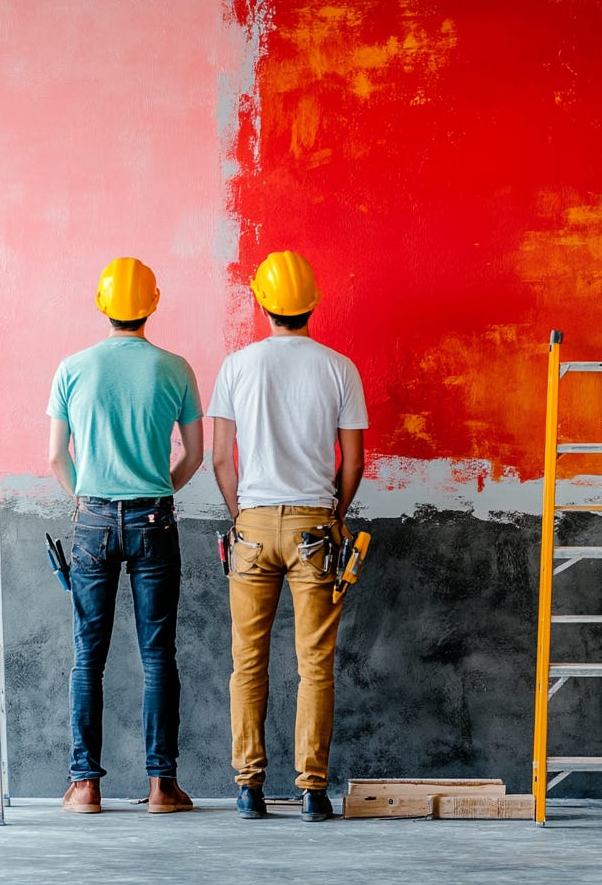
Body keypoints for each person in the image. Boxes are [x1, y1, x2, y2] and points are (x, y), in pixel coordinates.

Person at [208, 250, 368, 822]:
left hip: (251, 527)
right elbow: (352, 462)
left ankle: (249, 788)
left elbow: (220, 458)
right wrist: (335, 513)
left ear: (262, 302)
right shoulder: (339, 368)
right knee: (315, 663)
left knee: (247, 663)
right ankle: (312, 791)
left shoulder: (237, 366)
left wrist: (240, 515)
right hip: (314, 528)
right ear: (312, 304)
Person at [47, 256, 203, 815]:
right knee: (157, 655)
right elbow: (195, 455)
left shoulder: (72, 367)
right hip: (154, 518)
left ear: (102, 304)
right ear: (152, 304)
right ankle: (163, 788)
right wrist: (161, 489)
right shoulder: (175, 368)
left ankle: (85, 785)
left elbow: (55, 457)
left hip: (91, 518)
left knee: (88, 655)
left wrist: (87, 501)